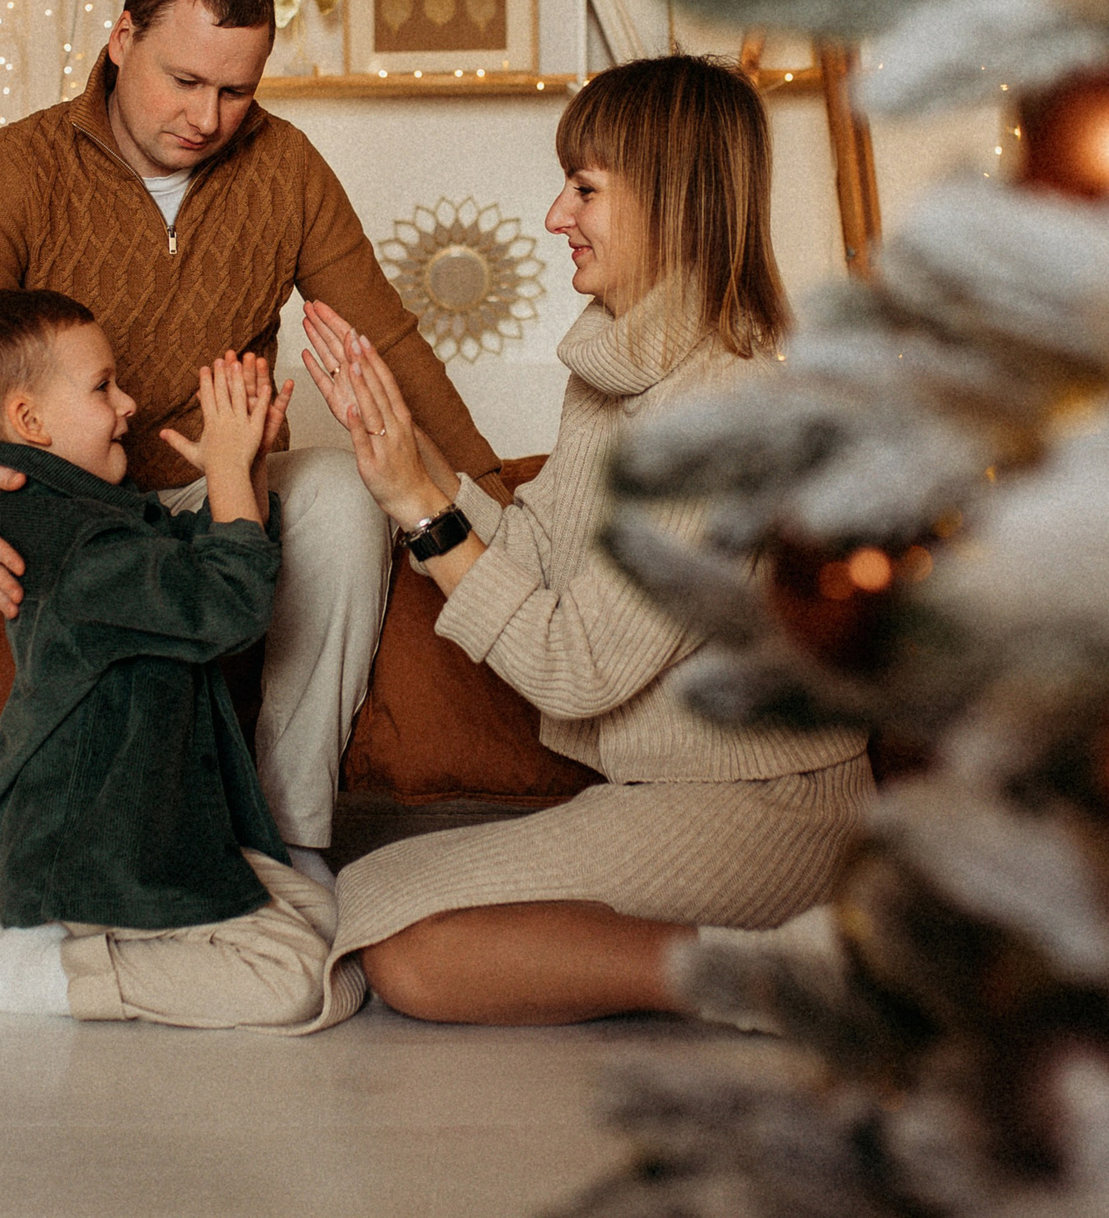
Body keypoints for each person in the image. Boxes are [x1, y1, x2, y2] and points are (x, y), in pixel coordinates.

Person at [0, 0, 506, 989]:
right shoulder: (11, 167)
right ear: (120, 42)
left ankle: (294, 842)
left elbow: (386, 344)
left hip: (208, 481)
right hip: (50, 498)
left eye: (235, 91)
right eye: (182, 78)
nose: (204, 116)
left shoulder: (285, 168)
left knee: (335, 487)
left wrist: (495, 493)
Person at [295, 55, 873, 1028]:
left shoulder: (725, 410)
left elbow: (579, 668)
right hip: (671, 795)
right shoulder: (620, 376)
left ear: (672, 201)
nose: (557, 216)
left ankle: (782, 979)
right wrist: (409, 465)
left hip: (765, 810)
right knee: (366, 901)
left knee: (404, 949)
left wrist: (419, 512)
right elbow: (533, 545)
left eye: (585, 188)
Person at [0, 290, 352, 1031]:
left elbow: (185, 576)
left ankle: (72, 948)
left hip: (149, 827)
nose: (129, 404)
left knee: (335, 926)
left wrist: (250, 467)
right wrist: (228, 471)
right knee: (298, 980)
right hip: (83, 852)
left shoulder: (90, 511)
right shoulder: (72, 542)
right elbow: (224, 607)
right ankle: (46, 973)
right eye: (104, 387)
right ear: (29, 420)